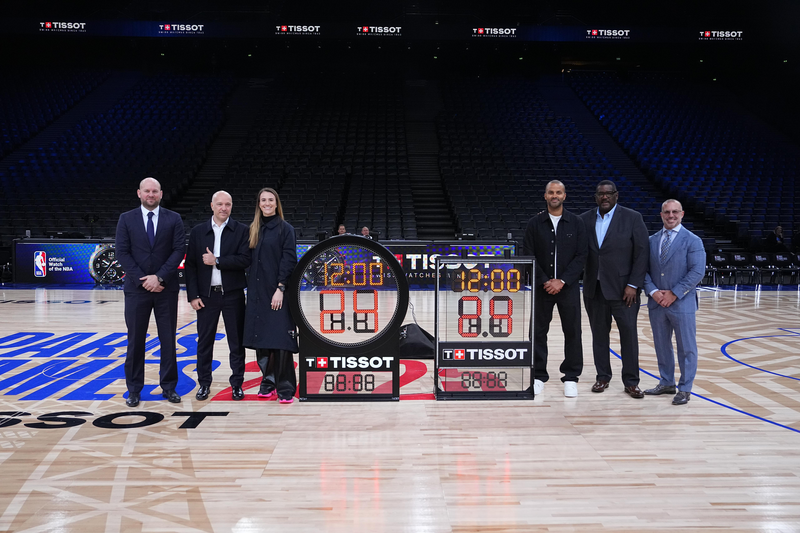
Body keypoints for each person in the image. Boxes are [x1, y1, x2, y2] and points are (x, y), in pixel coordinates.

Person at [115, 177, 186, 407]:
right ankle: (134, 389)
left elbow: (178, 250)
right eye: (147, 191)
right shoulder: (126, 219)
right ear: (139, 193)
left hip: (166, 288)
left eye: (155, 191)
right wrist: (143, 280)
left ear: (161, 193)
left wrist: (160, 277)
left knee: (168, 340)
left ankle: (169, 387)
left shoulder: (173, 218)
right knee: (135, 340)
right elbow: (122, 253)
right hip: (137, 290)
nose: (151, 194)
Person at [580, 180, 649, 399]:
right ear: (596, 197)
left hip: (624, 291)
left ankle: (631, 381)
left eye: (609, 194)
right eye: (601, 194)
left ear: (616, 196)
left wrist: (633, 285)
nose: (605, 197)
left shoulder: (632, 218)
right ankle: (602, 377)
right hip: (594, 289)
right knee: (599, 336)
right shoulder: (584, 219)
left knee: (628, 336)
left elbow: (642, 254)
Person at [523, 180, 588, 397]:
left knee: (572, 331)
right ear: (545, 196)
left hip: (567, 288)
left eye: (558, 192)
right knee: (538, 331)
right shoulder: (535, 223)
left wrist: (562, 281)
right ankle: (539, 375)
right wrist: (545, 280)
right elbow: (528, 255)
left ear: (564, 195)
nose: (554, 195)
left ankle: (571, 376)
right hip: (543, 288)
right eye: (551, 192)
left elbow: (582, 256)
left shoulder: (577, 223)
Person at [185, 191, 251, 402]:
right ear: (212, 206)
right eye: (220, 204)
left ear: (232, 207)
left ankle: (237, 384)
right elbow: (191, 266)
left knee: (236, 342)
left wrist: (218, 261)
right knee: (204, 342)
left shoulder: (241, 230)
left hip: (233, 295)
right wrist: (193, 295)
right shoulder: (198, 231)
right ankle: (204, 384)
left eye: (228, 204)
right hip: (206, 296)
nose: (224, 208)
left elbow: (244, 260)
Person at [643, 200, 705, 405]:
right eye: (667, 212)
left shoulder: (693, 240)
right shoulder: (651, 240)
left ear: (682, 214)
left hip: (682, 303)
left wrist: (674, 293)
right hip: (657, 303)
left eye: (675, 212)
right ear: (661, 215)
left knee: (687, 347)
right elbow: (642, 270)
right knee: (662, 345)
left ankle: (685, 388)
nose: (671, 215)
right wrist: (653, 292)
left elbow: (697, 272)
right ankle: (666, 382)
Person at [243, 187, 299, 403]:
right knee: (262, 339)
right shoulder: (253, 229)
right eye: (263, 200)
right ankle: (268, 381)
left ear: (276, 204)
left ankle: (285, 386)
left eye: (270, 200)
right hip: (257, 293)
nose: (267, 203)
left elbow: (289, 259)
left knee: (281, 340)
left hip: (277, 291)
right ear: (259, 204)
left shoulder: (286, 229)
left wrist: (281, 287)